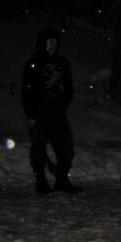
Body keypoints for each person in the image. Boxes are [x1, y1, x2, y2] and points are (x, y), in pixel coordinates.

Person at [22, 28, 80, 194]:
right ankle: (41, 180)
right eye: (48, 43)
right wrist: (31, 114)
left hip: (58, 113)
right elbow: (27, 90)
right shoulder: (34, 63)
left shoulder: (62, 62)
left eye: (54, 43)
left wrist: (64, 102)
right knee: (39, 149)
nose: (51, 46)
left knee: (65, 147)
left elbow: (68, 86)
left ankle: (62, 179)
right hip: (39, 113)